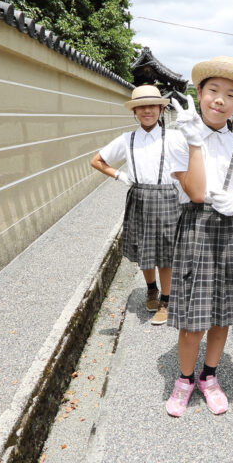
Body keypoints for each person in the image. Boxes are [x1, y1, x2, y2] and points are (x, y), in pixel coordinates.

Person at [165, 56, 233, 416]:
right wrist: (194, 143)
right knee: (194, 319)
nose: (220, 100)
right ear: (199, 93)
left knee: (222, 314)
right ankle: (184, 380)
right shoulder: (179, 138)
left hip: (232, 230)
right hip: (197, 228)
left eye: (230, 94)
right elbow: (194, 192)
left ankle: (209, 376)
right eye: (213, 91)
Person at [90, 85, 182, 326]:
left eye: (152, 106)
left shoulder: (174, 137)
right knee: (144, 249)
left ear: (161, 109)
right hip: (139, 196)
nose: (147, 111)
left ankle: (166, 300)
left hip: (166, 197)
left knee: (166, 254)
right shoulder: (127, 139)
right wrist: (120, 176)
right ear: (135, 112)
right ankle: (151, 289)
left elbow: (192, 164)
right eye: (141, 107)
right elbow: (97, 161)